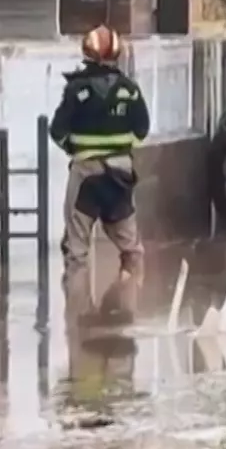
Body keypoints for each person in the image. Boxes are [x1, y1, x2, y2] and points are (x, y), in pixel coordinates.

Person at [50, 25, 150, 274]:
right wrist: (120, 150)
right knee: (131, 247)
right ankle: (130, 299)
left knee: (76, 248)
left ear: (87, 54)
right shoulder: (130, 90)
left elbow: (57, 131)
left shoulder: (77, 90)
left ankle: (77, 303)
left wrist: (75, 149)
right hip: (121, 174)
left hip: (86, 173)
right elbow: (141, 129)